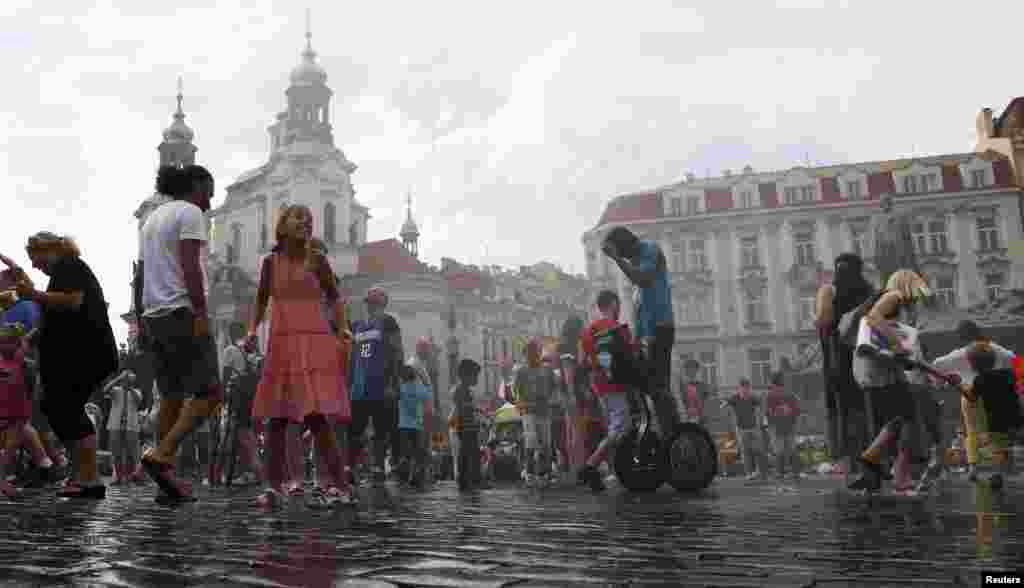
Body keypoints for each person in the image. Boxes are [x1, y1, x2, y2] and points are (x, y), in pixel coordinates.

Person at [244, 204, 353, 508]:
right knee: (277, 419)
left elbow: (334, 297)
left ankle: (342, 487)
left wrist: (343, 329)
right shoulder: (270, 263)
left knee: (317, 417)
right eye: (299, 217)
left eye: (309, 219)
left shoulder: (317, 259)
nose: (306, 222)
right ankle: (272, 488)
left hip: (314, 341)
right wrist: (251, 331)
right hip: (282, 341)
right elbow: (261, 300)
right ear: (282, 224)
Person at [134, 164, 225, 503]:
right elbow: (190, 265)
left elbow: (140, 274)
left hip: (155, 314)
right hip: (182, 311)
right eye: (208, 193)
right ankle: (163, 452)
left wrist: (142, 319)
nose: (209, 203)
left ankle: (166, 484)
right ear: (195, 186)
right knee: (211, 392)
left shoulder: (152, 219)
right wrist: (201, 311)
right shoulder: (189, 214)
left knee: (171, 396)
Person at [13, 232, 119, 499]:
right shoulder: (60, 273)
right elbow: (54, 315)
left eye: (34, 258)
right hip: (71, 356)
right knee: (55, 408)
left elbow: (73, 301)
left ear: (48, 250)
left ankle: (90, 479)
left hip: (86, 354)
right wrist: (31, 336)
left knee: (68, 409)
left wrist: (32, 294)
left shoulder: (70, 265)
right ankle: (80, 474)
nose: (35, 266)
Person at [847, 269, 932, 493]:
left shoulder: (891, 302)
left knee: (898, 419)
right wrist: (898, 344)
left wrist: (903, 355)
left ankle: (872, 458)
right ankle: (897, 474)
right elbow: (873, 318)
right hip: (880, 367)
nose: (917, 297)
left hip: (876, 368)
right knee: (909, 420)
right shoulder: (893, 296)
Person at [600, 227, 676, 436]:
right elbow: (640, 310)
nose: (627, 261)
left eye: (625, 255)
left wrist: (616, 258)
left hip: (660, 330)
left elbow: (643, 278)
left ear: (627, 247)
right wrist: (634, 340)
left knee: (659, 388)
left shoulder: (651, 250)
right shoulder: (636, 276)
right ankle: (663, 430)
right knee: (644, 384)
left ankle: (673, 433)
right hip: (647, 335)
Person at [815, 253, 875, 478]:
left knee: (844, 410)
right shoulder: (869, 292)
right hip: (867, 358)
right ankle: (873, 458)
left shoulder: (830, 291)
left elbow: (823, 321)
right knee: (868, 407)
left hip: (838, 360)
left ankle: (849, 459)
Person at [932, 320, 1015, 482]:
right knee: (995, 433)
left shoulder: (962, 352)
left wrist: (940, 383)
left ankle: (973, 468)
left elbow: (937, 364)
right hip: (995, 396)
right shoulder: (995, 348)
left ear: (962, 337)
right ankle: (997, 471)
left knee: (971, 431)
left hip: (970, 396)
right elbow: (1014, 360)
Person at [577, 289, 635, 492]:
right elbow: (631, 354)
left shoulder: (587, 331)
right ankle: (590, 466)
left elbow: (581, 362)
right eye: (618, 305)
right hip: (616, 385)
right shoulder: (617, 328)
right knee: (620, 429)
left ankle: (615, 471)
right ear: (613, 304)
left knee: (614, 428)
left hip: (598, 386)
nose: (619, 309)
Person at [349, 287, 403, 484]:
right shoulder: (357, 326)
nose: (371, 306)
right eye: (369, 303)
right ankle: (352, 467)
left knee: (380, 430)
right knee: (355, 430)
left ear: (381, 304)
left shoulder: (388, 322)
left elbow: (397, 353)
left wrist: (393, 383)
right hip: (360, 386)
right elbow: (352, 358)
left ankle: (377, 466)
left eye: (374, 303)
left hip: (380, 385)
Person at [959, 342, 1021, 490]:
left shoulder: (979, 379)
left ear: (972, 365)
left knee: (996, 445)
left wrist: (959, 385)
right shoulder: (1008, 373)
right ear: (994, 359)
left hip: (996, 421)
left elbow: (971, 397)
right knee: (1005, 444)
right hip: (1015, 416)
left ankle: (997, 474)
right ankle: (1001, 469)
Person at [218, 325, 263, 485]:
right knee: (244, 433)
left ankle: (257, 470)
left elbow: (226, 375)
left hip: (236, 398)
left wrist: (221, 396)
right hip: (248, 398)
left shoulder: (230, 350)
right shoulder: (247, 352)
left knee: (241, 434)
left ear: (230, 334)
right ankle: (246, 472)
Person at [514, 338, 559, 487]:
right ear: (525, 354)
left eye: (535, 351)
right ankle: (530, 473)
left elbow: (553, 386)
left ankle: (544, 473)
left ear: (539, 352)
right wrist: (522, 405)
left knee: (546, 443)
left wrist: (548, 399)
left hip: (544, 411)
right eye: (529, 352)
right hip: (528, 412)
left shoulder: (547, 370)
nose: (532, 355)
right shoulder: (521, 371)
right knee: (531, 442)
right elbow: (517, 392)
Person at [0, 324, 33, 498]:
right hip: (8, 411)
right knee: (9, 447)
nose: (5, 345)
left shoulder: (19, 358)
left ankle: (3, 480)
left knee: (11, 447)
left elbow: (27, 339)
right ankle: (3, 481)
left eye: (8, 342)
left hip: (17, 412)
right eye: (2, 342)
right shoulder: (10, 359)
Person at [102, 370, 145, 485]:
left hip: (131, 426)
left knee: (133, 452)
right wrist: (118, 379)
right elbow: (105, 390)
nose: (127, 382)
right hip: (115, 424)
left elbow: (139, 401)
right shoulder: (116, 391)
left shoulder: (136, 392)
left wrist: (129, 388)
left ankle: (133, 476)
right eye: (125, 380)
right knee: (116, 452)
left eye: (129, 380)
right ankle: (117, 476)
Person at [449, 358, 485, 491]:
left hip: (469, 426)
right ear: (466, 376)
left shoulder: (467, 391)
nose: (476, 379)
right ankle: (464, 480)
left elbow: (468, 408)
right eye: (475, 375)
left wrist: (477, 412)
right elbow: (460, 410)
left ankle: (475, 479)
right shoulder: (458, 391)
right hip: (462, 427)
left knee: (474, 453)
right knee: (464, 453)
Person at [397, 361, 432, 488]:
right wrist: (424, 377)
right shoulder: (419, 388)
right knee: (418, 454)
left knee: (406, 454)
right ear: (414, 376)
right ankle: (415, 477)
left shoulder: (400, 388)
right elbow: (429, 393)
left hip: (403, 426)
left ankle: (402, 477)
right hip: (417, 426)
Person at [724, 378, 766, 482]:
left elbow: (761, 406)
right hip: (741, 428)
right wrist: (725, 405)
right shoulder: (735, 398)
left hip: (753, 428)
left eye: (747, 389)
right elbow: (725, 405)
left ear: (749, 389)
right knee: (745, 452)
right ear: (739, 389)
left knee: (758, 450)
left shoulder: (753, 398)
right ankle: (749, 473)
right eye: (743, 389)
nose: (745, 391)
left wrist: (761, 421)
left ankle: (759, 471)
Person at [764, 371, 801, 481]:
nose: (777, 389)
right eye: (775, 387)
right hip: (777, 426)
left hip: (787, 425)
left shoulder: (789, 395)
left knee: (790, 449)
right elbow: (768, 413)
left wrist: (788, 411)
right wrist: (779, 412)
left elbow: (797, 410)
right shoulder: (770, 396)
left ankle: (793, 472)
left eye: (778, 387)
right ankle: (782, 473)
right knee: (780, 450)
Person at [681, 359, 709, 426]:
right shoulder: (682, 387)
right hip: (686, 419)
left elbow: (707, 403)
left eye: (693, 370)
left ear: (697, 371)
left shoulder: (703, 386)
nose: (690, 372)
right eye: (688, 370)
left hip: (701, 420)